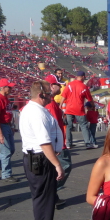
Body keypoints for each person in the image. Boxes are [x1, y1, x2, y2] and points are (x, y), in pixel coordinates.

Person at [20, 81, 65, 220]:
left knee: (46, 196)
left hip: (39, 157)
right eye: (48, 95)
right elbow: (43, 142)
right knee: (43, 197)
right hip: (40, 158)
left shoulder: (35, 110)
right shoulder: (36, 113)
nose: (51, 98)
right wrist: (57, 164)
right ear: (40, 95)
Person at [44, 75, 71, 207]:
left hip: (57, 142)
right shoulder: (50, 104)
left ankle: (52, 195)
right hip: (58, 144)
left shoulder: (51, 102)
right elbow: (53, 127)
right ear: (51, 86)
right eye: (58, 85)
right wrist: (58, 146)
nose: (60, 87)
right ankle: (50, 193)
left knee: (56, 170)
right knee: (64, 167)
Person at [59, 71, 96, 150]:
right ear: (83, 77)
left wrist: (60, 105)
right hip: (79, 109)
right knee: (84, 126)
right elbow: (90, 99)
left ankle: (68, 144)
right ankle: (88, 143)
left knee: (68, 126)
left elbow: (63, 96)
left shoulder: (69, 84)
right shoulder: (84, 87)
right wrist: (93, 106)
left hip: (69, 109)